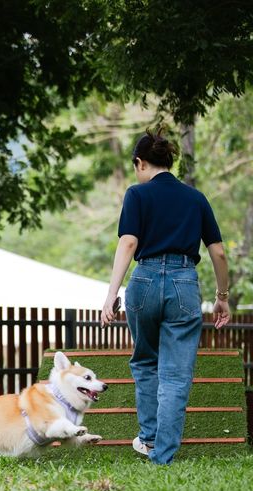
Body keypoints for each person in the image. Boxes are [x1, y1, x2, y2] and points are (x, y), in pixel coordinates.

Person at [101, 128, 230, 465]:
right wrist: (222, 296)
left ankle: (147, 438)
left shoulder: (137, 195)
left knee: (145, 361)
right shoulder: (196, 198)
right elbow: (218, 253)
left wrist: (111, 294)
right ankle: (163, 454)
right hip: (184, 283)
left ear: (140, 163)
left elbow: (128, 243)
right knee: (175, 373)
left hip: (143, 280)